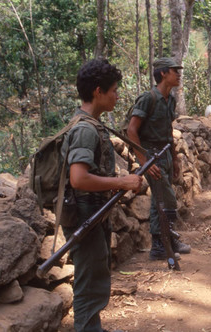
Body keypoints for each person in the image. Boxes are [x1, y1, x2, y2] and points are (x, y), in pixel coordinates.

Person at [61, 59, 142, 332]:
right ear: (98, 91)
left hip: (93, 216)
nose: (117, 95)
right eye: (114, 90)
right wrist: (122, 182)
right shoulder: (85, 129)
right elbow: (79, 178)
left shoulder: (90, 124)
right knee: (88, 282)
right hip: (85, 217)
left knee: (95, 277)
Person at [127, 57, 191, 261]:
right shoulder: (148, 98)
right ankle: (161, 244)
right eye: (174, 71)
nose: (178, 74)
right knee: (166, 200)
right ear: (163, 73)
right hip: (151, 155)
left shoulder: (170, 100)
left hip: (164, 154)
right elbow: (131, 130)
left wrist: (174, 158)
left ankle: (166, 241)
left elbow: (167, 131)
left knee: (160, 200)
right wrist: (145, 161)